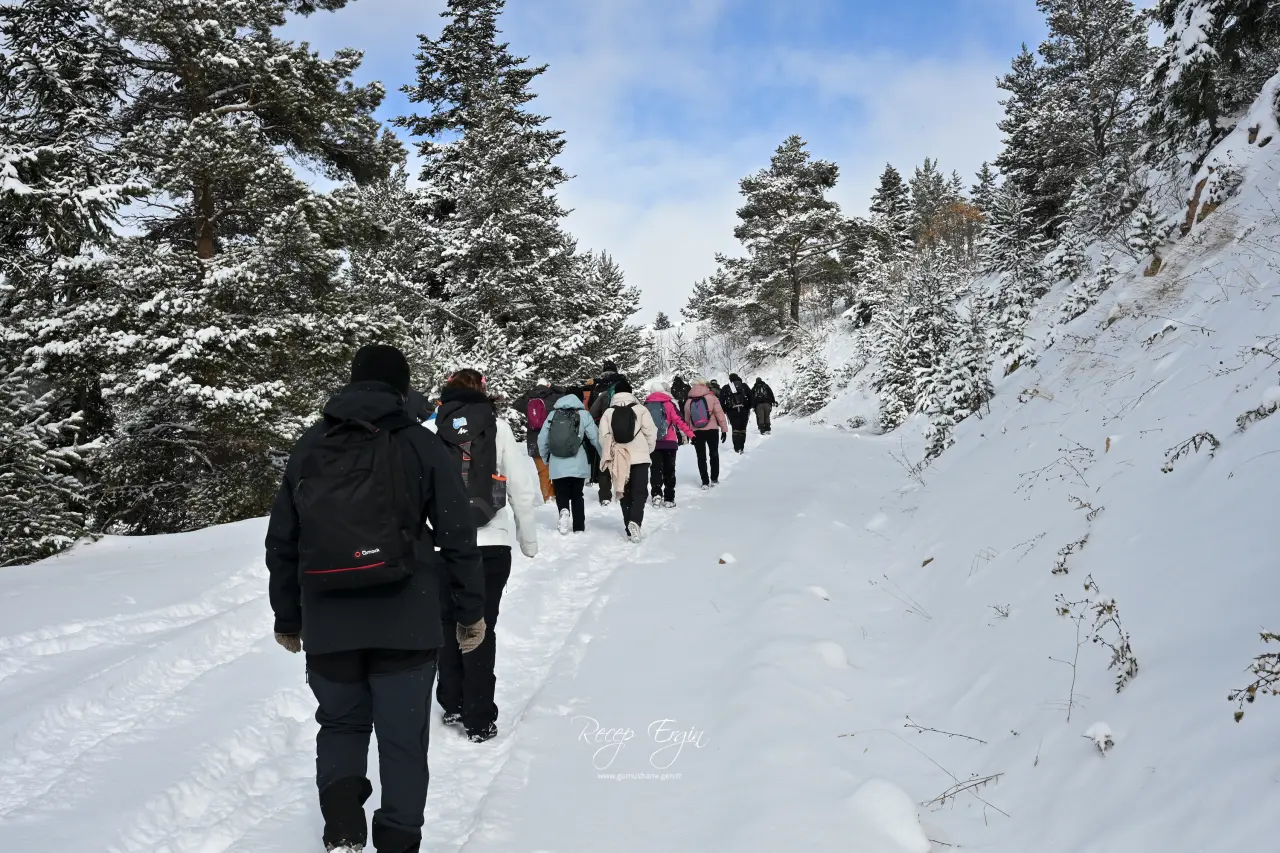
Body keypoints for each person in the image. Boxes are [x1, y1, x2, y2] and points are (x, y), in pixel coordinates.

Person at [265, 344, 485, 853]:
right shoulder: (420, 443)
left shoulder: (311, 445)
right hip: (406, 617)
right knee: (403, 738)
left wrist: (288, 617)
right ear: (401, 389)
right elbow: (457, 534)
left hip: (329, 619)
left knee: (341, 724)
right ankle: (399, 842)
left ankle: (343, 830)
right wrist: (470, 611)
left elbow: (283, 541)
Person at [431, 369, 538, 744]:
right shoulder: (499, 428)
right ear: (482, 391)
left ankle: (452, 702)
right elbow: (520, 488)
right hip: (491, 542)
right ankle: (478, 716)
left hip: (443, 544)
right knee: (480, 624)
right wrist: (527, 539)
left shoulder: (431, 429)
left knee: (447, 622)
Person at [598, 379, 658, 541]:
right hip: (640, 457)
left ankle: (629, 528)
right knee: (640, 491)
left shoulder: (608, 413)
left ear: (615, 394)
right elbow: (651, 432)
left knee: (624, 493)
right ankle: (635, 521)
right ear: (631, 393)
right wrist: (647, 450)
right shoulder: (641, 409)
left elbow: (603, 438)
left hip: (619, 458)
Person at [538, 392, 601, 535]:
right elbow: (595, 437)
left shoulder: (553, 415)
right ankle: (578, 527)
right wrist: (603, 455)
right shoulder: (584, 415)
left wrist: (545, 457)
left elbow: (542, 438)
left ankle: (564, 511)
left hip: (557, 463)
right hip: (578, 462)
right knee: (577, 495)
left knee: (561, 493)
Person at [644, 379, 694, 507]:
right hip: (670, 443)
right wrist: (691, 434)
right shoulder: (669, 404)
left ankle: (656, 494)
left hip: (653, 443)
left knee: (655, 469)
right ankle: (669, 498)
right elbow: (679, 421)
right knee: (669, 470)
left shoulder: (646, 405)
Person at [512, 378, 563, 504]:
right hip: (553, 438)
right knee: (558, 468)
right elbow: (566, 393)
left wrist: (529, 392)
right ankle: (560, 494)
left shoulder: (529, 399)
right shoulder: (554, 397)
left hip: (535, 440)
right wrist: (553, 386)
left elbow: (516, 403)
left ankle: (548, 497)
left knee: (543, 471)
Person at [588, 361, 629, 505]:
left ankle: (604, 494)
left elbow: (592, 410)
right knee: (623, 456)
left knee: (604, 457)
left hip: (604, 426)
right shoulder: (622, 382)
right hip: (623, 425)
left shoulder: (599, 385)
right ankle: (623, 489)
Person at [683, 377, 728, 489]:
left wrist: (688, 435)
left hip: (697, 432)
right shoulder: (711, 397)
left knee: (701, 456)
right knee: (714, 454)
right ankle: (714, 479)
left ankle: (705, 482)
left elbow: (686, 420)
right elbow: (720, 414)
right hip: (712, 430)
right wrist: (724, 430)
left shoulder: (689, 401)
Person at [721, 373, 755, 454]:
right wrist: (748, 407)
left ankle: (737, 448)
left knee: (735, 430)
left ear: (730, 379)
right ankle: (741, 447)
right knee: (742, 429)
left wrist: (726, 409)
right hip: (744, 410)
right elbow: (751, 397)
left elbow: (721, 401)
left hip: (732, 411)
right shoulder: (744, 386)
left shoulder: (726, 387)